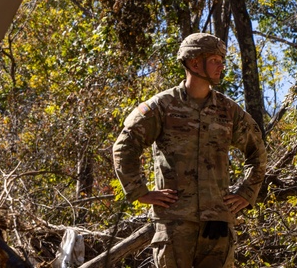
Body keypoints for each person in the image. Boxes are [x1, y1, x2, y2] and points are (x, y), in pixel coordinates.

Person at [112, 33, 267, 268]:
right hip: (175, 223)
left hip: (217, 223)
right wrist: (140, 191)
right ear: (194, 63)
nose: (221, 66)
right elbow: (125, 146)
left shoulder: (229, 111)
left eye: (222, 60)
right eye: (215, 60)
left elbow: (257, 152)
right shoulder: (162, 106)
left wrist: (246, 192)